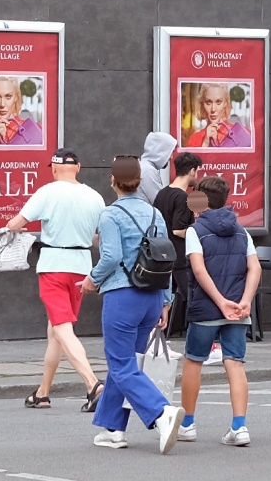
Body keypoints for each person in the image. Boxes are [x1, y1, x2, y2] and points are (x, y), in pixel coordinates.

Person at [85, 156, 183, 452]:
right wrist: (166, 301)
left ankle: (161, 412)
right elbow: (166, 259)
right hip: (152, 297)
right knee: (128, 362)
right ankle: (113, 429)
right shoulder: (155, 214)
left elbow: (111, 257)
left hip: (123, 296)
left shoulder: (110, 215)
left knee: (121, 363)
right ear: (139, 181)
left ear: (112, 181)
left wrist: (92, 279)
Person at [3, 148, 104, 411]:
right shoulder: (95, 197)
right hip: (81, 268)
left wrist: (16, 229)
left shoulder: (47, 192)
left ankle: (93, 384)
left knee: (62, 328)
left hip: (54, 266)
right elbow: (98, 237)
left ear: (54, 168)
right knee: (56, 331)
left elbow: (15, 224)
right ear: (78, 168)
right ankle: (43, 392)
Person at [179, 174, 259, 446]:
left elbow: (199, 269)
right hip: (238, 309)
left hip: (206, 307)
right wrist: (245, 300)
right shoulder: (242, 231)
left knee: (194, 361)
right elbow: (254, 268)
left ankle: (187, 424)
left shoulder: (195, 230)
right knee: (235, 362)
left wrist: (219, 301)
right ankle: (239, 426)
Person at [153, 152, 202, 336]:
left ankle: (158, 338)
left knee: (163, 300)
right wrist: (198, 233)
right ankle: (200, 336)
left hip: (161, 255)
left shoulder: (162, 194)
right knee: (193, 298)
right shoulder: (183, 197)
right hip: (179, 258)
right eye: (197, 171)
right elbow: (178, 229)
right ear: (192, 171)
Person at [185, 83, 254, 149]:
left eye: (218, 102)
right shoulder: (194, 140)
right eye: (208, 102)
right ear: (202, 104)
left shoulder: (242, 133)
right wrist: (205, 144)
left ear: (225, 103)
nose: (213, 109)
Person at [139, 131, 177, 202]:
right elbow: (161, 202)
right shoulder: (148, 171)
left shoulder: (144, 167)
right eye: (170, 152)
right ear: (160, 151)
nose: (171, 157)